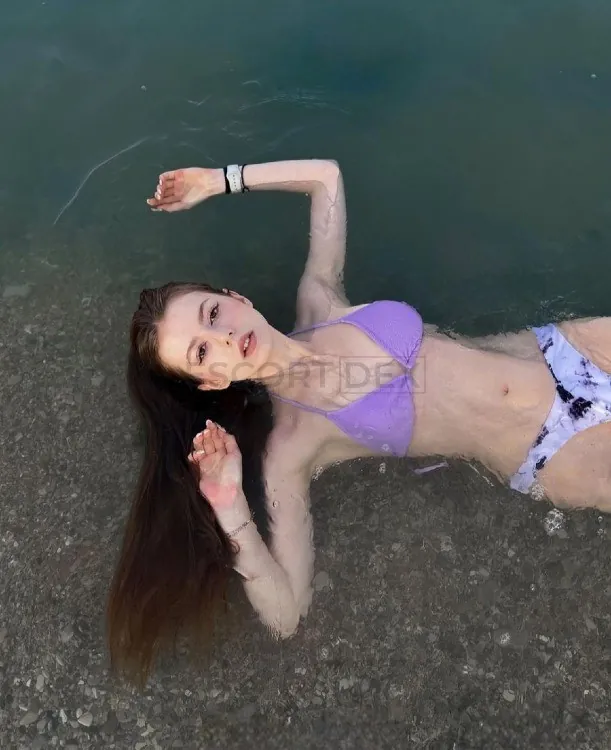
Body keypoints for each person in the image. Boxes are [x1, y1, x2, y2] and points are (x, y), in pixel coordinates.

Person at [107, 158, 611, 684]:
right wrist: (230, 504)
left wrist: (220, 181)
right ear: (212, 383)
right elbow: (286, 614)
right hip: (555, 448)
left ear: (236, 298)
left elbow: (325, 177)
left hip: (561, 350)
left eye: (212, 314)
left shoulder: (321, 300)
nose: (225, 337)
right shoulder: (292, 447)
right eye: (202, 352)